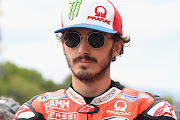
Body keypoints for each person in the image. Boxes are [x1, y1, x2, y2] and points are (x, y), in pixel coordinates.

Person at [13, 0, 177, 120]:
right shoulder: (37, 111)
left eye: (96, 39)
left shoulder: (149, 110)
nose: (82, 50)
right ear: (63, 45)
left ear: (116, 47)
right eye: (72, 38)